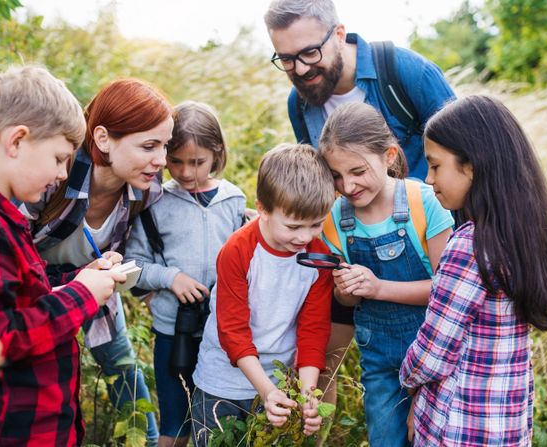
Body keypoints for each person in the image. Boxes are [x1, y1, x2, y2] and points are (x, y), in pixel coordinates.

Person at [264, 0, 456, 416]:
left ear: (338, 34)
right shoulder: (301, 105)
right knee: (324, 353)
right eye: (286, 59)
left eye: (309, 53)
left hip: (423, 246)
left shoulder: (404, 73)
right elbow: (319, 184)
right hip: (352, 241)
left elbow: (466, 152)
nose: (298, 70)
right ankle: (316, 431)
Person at [0, 66, 126, 446]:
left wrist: (80, 279)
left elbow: (20, 300)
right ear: (17, 141)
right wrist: (81, 296)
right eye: (57, 158)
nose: (60, 174)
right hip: (10, 434)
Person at [400, 95, 547, 446]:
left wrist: (406, 379)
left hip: (457, 427)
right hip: (505, 426)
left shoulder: (469, 246)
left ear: (472, 166)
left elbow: (434, 352)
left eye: (435, 166)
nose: (428, 178)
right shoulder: (523, 233)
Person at [18, 78, 173, 445]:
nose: (161, 159)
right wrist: (76, 279)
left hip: (97, 294)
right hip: (34, 299)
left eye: (165, 145)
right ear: (103, 139)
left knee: (126, 379)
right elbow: (7, 257)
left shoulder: (144, 188)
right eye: (149, 146)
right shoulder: (55, 176)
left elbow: (169, 227)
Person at [317, 102, 453, 447]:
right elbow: (346, 299)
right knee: (385, 438)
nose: (347, 185)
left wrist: (378, 287)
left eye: (357, 171)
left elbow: (446, 291)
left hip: (434, 354)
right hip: (379, 360)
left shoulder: (425, 202)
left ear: (389, 155)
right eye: (336, 175)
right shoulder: (334, 219)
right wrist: (347, 289)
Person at [190, 144, 334, 446]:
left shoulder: (318, 257)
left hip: (281, 384)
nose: (305, 237)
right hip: (222, 384)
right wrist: (266, 390)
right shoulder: (238, 250)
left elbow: (313, 330)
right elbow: (232, 330)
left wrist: (307, 394)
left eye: (316, 224)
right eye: (294, 226)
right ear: (263, 209)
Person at [125, 101, 246, 447]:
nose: (185, 172)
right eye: (175, 161)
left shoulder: (234, 199)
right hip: (172, 331)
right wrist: (171, 278)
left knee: (219, 423)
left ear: (217, 153)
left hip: (221, 334)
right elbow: (135, 266)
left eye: (197, 162)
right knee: (175, 423)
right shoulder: (155, 202)